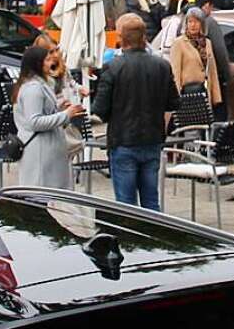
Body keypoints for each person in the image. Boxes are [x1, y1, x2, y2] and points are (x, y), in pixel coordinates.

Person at [91, 13, 180, 210]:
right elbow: (174, 102)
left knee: (126, 205)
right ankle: (153, 238)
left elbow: (100, 110)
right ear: (144, 37)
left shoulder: (112, 67)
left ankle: (129, 239)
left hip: (123, 141)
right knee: (151, 201)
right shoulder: (162, 66)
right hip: (152, 139)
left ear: (121, 38)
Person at [12, 46, 85, 190]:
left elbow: (41, 113)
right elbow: (34, 121)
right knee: (44, 194)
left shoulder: (39, 84)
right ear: (37, 63)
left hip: (47, 151)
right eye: (46, 60)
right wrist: (65, 115)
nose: (50, 62)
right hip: (40, 153)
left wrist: (58, 108)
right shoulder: (33, 88)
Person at [169, 8, 222, 108]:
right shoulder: (179, 43)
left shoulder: (207, 43)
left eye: (196, 21)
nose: (193, 25)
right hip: (187, 94)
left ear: (202, 24)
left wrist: (216, 97)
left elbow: (212, 71)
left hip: (204, 93)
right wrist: (176, 98)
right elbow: (175, 73)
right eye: (190, 21)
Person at [195, 0, 232, 120]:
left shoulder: (185, 22)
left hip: (193, 79)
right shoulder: (210, 23)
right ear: (206, 5)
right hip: (212, 74)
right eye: (211, 7)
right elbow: (220, 50)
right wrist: (226, 75)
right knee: (219, 114)